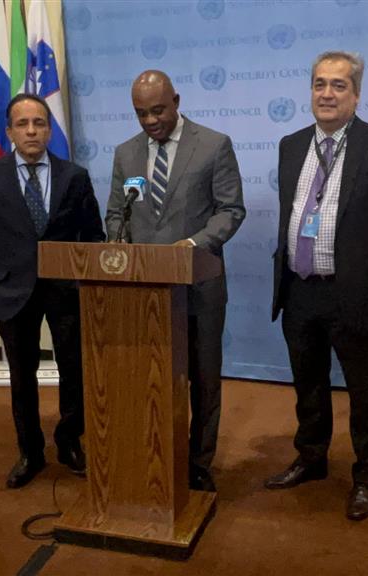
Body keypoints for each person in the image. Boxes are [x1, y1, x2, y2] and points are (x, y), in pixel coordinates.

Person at [266, 51, 368, 521]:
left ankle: (367, 475)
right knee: (308, 384)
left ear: (356, 94)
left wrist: (362, 264)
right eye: (319, 84)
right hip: (300, 289)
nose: (327, 94)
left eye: (338, 85)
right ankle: (311, 458)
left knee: (365, 393)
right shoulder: (291, 145)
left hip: (354, 292)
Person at [105, 70, 245, 492]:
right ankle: (155, 455)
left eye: (158, 110)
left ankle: (199, 463)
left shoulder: (214, 145)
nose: (150, 121)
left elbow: (230, 210)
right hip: (144, 292)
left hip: (199, 286)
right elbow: (116, 213)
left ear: (177, 101)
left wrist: (193, 244)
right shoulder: (126, 154)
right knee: (150, 378)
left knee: (203, 380)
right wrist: (117, 241)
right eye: (141, 113)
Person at [0, 93, 106, 489]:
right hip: (12, 293)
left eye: (39, 123)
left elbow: (94, 236)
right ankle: (30, 451)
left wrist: (85, 281)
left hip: (66, 292)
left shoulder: (74, 176)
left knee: (74, 371)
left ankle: (69, 441)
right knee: (22, 376)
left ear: (49, 129)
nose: (31, 131)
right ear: (9, 132)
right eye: (22, 124)